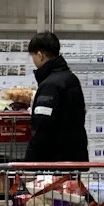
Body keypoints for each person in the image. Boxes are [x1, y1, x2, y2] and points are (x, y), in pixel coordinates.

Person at [24, 31, 88, 163]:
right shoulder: (71, 79)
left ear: (40, 55)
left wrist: (29, 162)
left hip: (54, 161)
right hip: (73, 157)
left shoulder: (50, 85)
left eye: (33, 56)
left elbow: (43, 127)